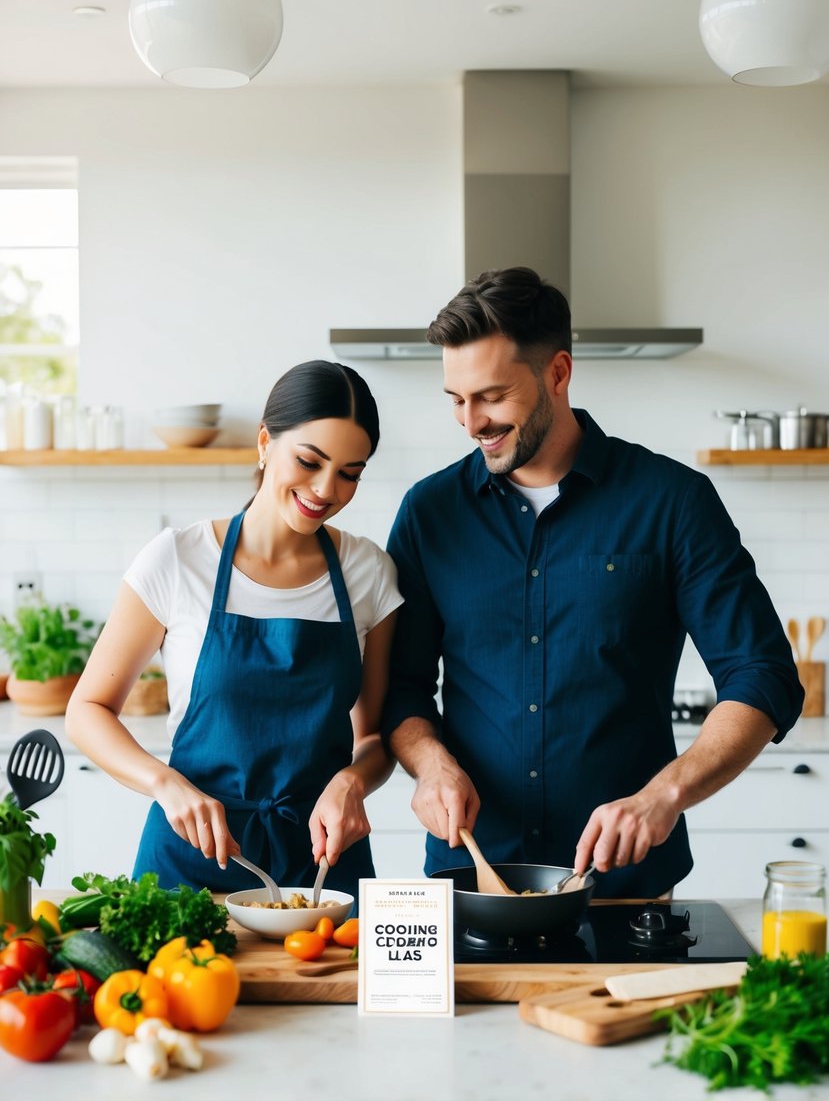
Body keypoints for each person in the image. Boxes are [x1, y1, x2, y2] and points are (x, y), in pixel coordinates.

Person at [381, 267, 803, 898]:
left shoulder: (672, 502)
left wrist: (665, 794)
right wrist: (430, 765)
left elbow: (763, 674)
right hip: (473, 879)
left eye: (492, 396)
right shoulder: (429, 512)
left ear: (557, 373)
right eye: (455, 399)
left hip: (624, 887)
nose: (471, 423)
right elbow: (400, 687)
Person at [66, 360, 403, 897]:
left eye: (349, 473)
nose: (325, 489)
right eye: (309, 461)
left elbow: (374, 737)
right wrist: (165, 784)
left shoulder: (368, 573)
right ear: (265, 442)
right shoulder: (179, 560)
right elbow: (86, 711)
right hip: (191, 858)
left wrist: (353, 781)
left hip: (322, 867)